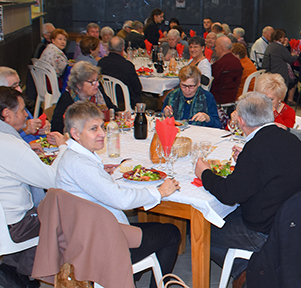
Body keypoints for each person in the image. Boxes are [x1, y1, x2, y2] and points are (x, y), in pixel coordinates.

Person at [55, 101, 181, 288]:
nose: (102, 134)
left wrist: (99, 172)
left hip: (84, 234)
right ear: (75, 134)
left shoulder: (71, 157)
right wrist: (159, 191)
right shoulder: (80, 164)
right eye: (93, 129)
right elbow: (121, 199)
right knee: (171, 233)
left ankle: (133, 275)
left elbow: (88, 182)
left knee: (156, 228)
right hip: (102, 243)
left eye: (102, 127)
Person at [194, 92, 301, 279]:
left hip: (265, 231)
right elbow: (271, 167)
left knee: (201, 231)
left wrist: (204, 173)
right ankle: (248, 267)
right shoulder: (289, 139)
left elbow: (229, 195)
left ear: (241, 122)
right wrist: (245, 160)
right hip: (294, 222)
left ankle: (244, 272)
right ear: (270, 114)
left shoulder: (256, 148)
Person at [0, 87, 68, 286]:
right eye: (22, 110)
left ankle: (13, 272)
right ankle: (40, 274)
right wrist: (63, 147)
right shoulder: (10, 144)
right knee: (66, 215)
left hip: (5, 216)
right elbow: (53, 179)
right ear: (7, 115)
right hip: (11, 225)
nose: (25, 115)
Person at [51, 61, 117, 133]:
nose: (97, 84)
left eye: (97, 80)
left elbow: (112, 109)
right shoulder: (68, 98)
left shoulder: (98, 92)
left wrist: (120, 113)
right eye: (92, 82)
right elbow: (56, 127)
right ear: (79, 85)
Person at [0, 67, 52, 143]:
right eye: (13, 87)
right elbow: (8, 144)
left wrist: (40, 128)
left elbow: (36, 136)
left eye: (19, 85)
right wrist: (26, 131)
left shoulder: (20, 106)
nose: (20, 90)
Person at [98, 36, 145, 110]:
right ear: (123, 48)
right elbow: (138, 89)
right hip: (125, 103)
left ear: (108, 48)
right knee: (154, 102)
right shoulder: (127, 65)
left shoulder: (101, 63)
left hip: (107, 101)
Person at [261, 29, 298, 102]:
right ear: (280, 38)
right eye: (284, 37)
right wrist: (296, 55)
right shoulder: (280, 47)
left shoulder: (270, 45)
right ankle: (288, 100)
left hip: (270, 72)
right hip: (280, 74)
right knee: (294, 79)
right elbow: (290, 59)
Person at [210, 36, 243, 105]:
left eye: (216, 46)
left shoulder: (219, 64)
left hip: (218, 98)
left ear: (221, 48)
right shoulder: (237, 61)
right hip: (232, 97)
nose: (215, 49)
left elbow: (211, 83)